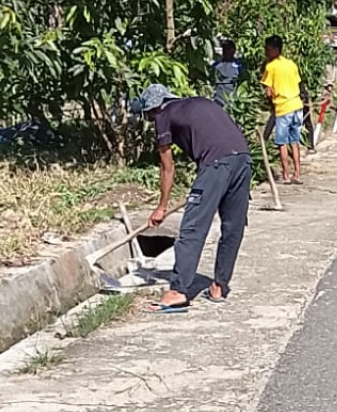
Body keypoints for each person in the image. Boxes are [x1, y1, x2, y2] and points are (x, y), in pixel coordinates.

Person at [131, 84, 252, 313]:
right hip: (243, 160)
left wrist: (161, 206)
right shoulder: (199, 103)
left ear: (153, 109)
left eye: (148, 116)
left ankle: (177, 292)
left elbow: (167, 167)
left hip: (217, 164)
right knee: (233, 227)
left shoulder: (163, 114)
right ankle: (219, 286)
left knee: (192, 228)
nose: (150, 120)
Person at [262, 35, 305, 185]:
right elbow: (298, 84)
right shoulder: (291, 64)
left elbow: (268, 91)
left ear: (275, 49)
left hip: (283, 107)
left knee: (282, 143)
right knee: (294, 141)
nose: (266, 52)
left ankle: (286, 175)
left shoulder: (271, 67)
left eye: (268, 49)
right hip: (297, 106)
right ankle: (297, 174)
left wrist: (270, 104)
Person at [211, 39, 243, 108]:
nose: (226, 52)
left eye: (228, 49)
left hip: (232, 100)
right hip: (218, 99)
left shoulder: (238, 66)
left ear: (234, 50)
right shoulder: (216, 66)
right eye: (224, 49)